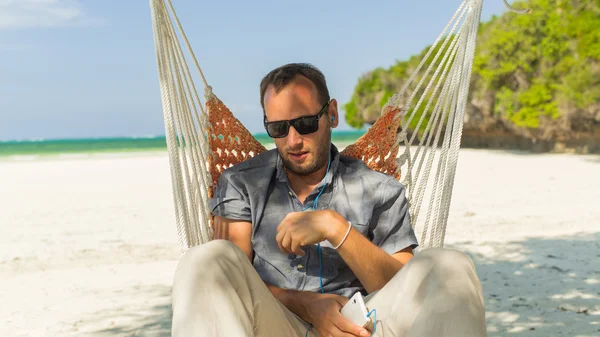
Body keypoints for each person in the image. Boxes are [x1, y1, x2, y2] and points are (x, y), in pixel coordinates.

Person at [171, 63, 487, 337]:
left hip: (364, 325)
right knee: (204, 260)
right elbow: (231, 281)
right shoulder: (242, 183)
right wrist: (307, 305)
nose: (293, 140)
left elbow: (404, 287)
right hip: (279, 323)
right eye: (278, 128)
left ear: (331, 114)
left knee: (451, 265)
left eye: (306, 123)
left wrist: (335, 228)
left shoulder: (379, 189)